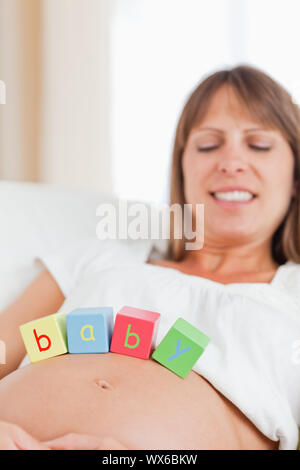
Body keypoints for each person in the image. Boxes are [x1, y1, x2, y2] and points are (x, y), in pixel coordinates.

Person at [0, 65, 300, 450]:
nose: (231, 162)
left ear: (294, 175)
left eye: (258, 145)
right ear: (182, 167)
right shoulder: (102, 258)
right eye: (208, 145)